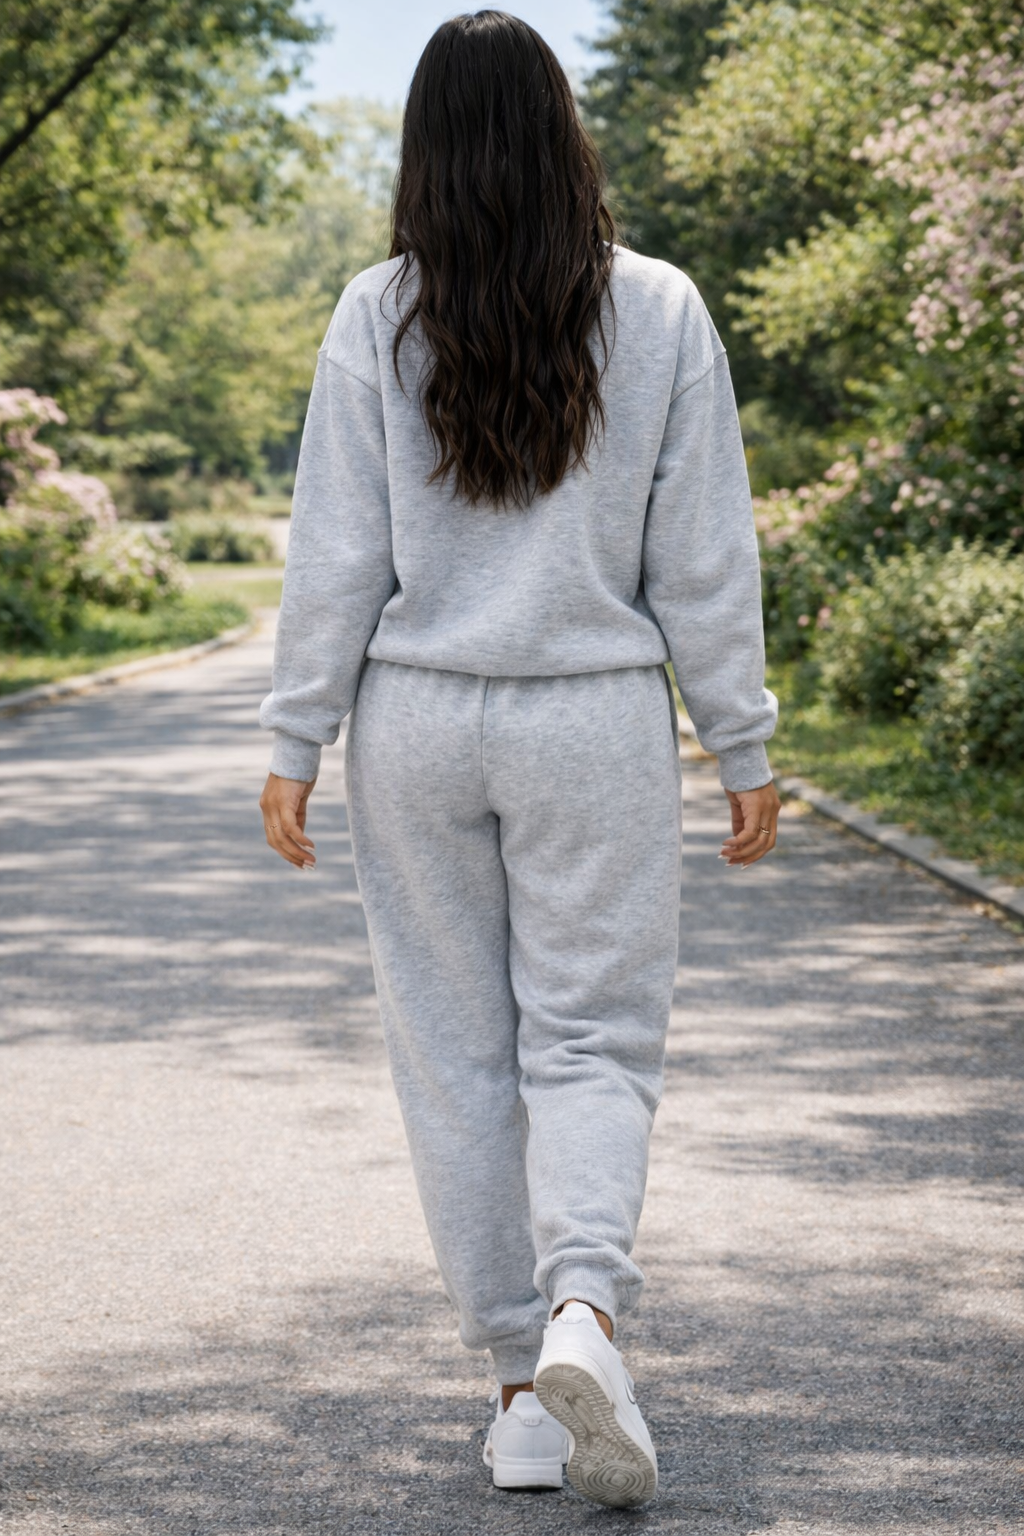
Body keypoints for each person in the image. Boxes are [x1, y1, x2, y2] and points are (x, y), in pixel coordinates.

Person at [258, 9, 779, 1510]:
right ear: (565, 134)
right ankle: (583, 1319)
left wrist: (295, 734)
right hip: (593, 720)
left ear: (426, 149)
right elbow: (704, 561)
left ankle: (517, 1398)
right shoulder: (663, 310)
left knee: (455, 1054)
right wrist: (741, 738)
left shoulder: (379, 312)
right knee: (593, 1041)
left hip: (414, 720)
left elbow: (335, 549)